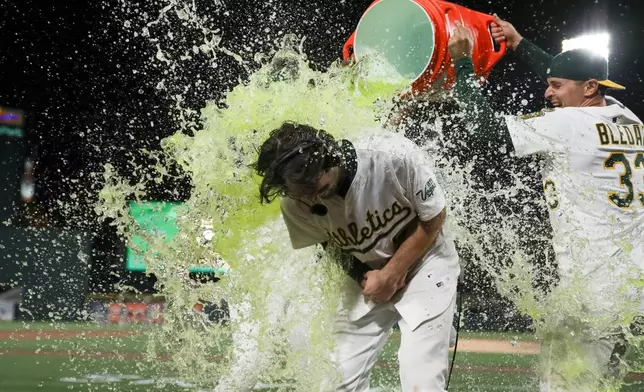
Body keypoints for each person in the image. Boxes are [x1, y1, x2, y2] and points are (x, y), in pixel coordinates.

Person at [447, 16, 644, 392]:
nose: (547, 93)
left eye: (555, 86)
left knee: (562, 387)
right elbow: (573, 79)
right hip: (632, 290)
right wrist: (521, 44)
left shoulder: (569, 124)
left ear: (589, 87)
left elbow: (487, 131)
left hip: (593, 294)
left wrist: (462, 64)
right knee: (601, 384)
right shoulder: (628, 117)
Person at [251, 122, 461, 392]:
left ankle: (430, 324)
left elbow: (434, 216)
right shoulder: (294, 204)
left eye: (316, 189)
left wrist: (392, 273)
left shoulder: (391, 155)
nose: (312, 199)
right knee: (333, 382)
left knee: (420, 379)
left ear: (329, 160)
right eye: (301, 194)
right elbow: (329, 245)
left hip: (426, 260)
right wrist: (367, 278)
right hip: (368, 270)